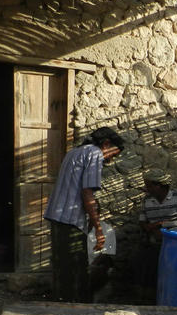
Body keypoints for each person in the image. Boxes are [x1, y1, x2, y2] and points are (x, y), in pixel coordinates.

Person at [43, 126, 124, 302]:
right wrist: (98, 229)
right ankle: (76, 308)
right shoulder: (94, 154)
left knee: (61, 266)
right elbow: (87, 194)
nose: (110, 160)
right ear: (106, 144)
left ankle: (61, 302)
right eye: (113, 154)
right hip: (70, 219)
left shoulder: (74, 152)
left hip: (58, 216)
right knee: (76, 270)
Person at [138, 168, 177, 243]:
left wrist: (161, 225)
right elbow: (142, 222)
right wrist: (148, 228)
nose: (146, 189)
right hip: (154, 241)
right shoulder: (147, 199)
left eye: (149, 186)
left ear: (159, 185)